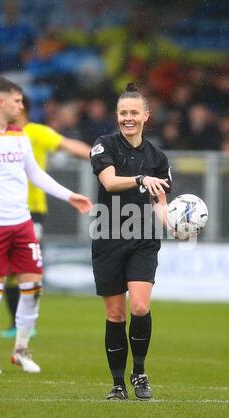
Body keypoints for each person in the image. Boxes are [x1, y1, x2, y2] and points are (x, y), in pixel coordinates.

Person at [0, 77, 92, 374]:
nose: (22, 106)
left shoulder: (20, 136)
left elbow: (35, 174)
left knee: (33, 287)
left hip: (22, 223)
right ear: (0, 100)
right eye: (17, 100)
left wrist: (69, 195)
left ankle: (21, 351)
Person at [90, 83, 171, 400]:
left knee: (139, 306)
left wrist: (176, 225)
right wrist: (139, 179)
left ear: (146, 116)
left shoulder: (157, 157)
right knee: (115, 315)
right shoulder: (104, 145)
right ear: (117, 115)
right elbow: (109, 183)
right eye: (123, 112)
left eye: (134, 113)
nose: (128, 118)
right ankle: (117, 384)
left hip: (143, 238)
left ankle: (139, 373)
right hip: (108, 235)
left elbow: (160, 203)